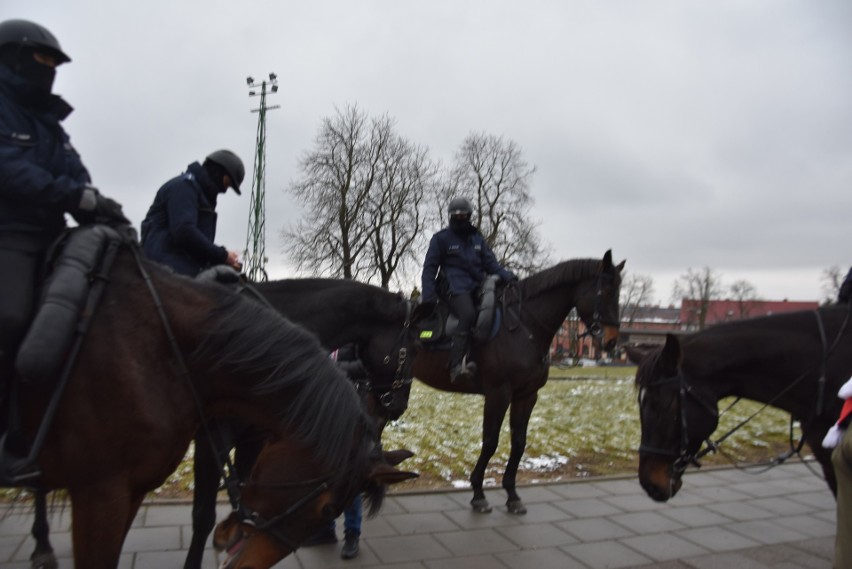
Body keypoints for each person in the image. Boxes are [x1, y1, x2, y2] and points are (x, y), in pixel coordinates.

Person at [0, 19, 128, 437]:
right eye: (42, 59)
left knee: (95, 308)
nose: (49, 69)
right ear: (13, 58)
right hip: (9, 232)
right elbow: (10, 169)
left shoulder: (51, 124)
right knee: (12, 315)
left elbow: (75, 175)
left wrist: (102, 209)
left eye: (55, 63)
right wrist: (72, 197)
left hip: (51, 234)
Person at [420, 197, 516, 382]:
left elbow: (492, 264)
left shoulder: (477, 239)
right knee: (468, 314)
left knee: (495, 311)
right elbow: (429, 269)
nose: (460, 218)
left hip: (477, 287)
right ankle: (455, 366)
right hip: (453, 288)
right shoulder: (441, 239)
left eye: (464, 215)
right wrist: (428, 297)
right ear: (450, 217)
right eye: (456, 216)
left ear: (469, 216)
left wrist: (509, 276)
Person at [303, 342, 365, 559]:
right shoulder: (326, 329)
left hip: (349, 412)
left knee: (349, 474)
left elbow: (366, 365)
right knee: (323, 471)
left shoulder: (357, 334)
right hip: (321, 410)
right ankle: (325, 528)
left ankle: (352, 533)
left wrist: (332, 367)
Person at [140, 150, 244, 276]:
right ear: (218, 172)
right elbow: (184, 232)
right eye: (227, 182)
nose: (225, 190)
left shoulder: (199, 194)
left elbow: (196, 248)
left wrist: (222, 259)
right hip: (163, 270)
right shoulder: (183, 187)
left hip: (182, 268)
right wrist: (223, 256)